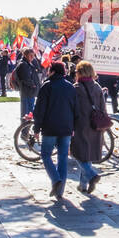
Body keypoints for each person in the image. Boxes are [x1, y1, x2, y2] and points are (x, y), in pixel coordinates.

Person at [34, 62, 78, 198]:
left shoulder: (47, 86)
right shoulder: (70, 87)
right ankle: (60, 191)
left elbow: (39, 110)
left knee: (46, 155)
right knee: (63, 157)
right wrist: (74, 127)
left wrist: (36, 128)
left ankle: (55, 179)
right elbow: (76, 109)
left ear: (52, 71)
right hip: (66, 127)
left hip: (50, 127)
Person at [72, 60, 107, 194]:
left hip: (80, 124)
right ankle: (83, 185)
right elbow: (103, 106)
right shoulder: (97, 86)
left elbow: (72, 108)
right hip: (95, 124)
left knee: (77, 152)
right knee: (88, 154)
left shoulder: (76, 88)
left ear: (80, 73)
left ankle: (91, 175)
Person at [11, 48, 42, 119]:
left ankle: (26, 128)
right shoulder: (23, 64)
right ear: (25, 55)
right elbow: (25, 78)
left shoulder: (28, 63)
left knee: (30, 112)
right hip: (26, 91)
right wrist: (33, 85)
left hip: (30, 92)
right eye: (30, 55)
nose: (32, 57)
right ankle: (25, 129)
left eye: (33, 55)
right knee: (26, 113)